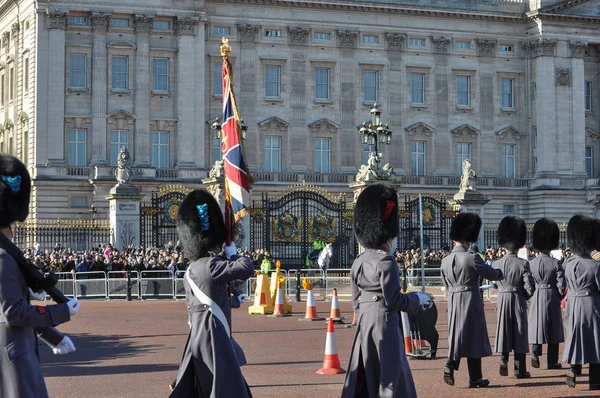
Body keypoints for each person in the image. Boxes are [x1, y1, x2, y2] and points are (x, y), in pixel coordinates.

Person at [0, 154, 80, 397]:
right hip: (12, 356)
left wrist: (51, 335)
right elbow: (14, 313)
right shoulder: (3, 257)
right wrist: (62, 311)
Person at [341, 184, 430, 398]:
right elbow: (394, 300)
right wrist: (417, 299)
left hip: (364, 322)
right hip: (385, 323)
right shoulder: (386, 261)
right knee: (390, 375)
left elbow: (356, 301)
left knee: (366, 372)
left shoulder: (358, 261)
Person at [169, 189, 254, 397]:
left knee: (207, 381)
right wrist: (233, 253)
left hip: (198, 331)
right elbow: (246, 268)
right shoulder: (211, 265)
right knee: (225, 382)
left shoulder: (190, 270)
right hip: (215, 330)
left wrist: (234, 300)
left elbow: (201, 302)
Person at [441, 212, 503, 388]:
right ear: (469, 237)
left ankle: (450, 364)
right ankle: (475, 378)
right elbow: (490, 273)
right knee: (474, 338)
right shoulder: (471, 257)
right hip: (471, 299)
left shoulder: (445, 260)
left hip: (453, 300)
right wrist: (500, 273)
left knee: (457, 335)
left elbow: (444, 282)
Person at [493, 216, 535, 379]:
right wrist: (525, 296)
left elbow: (495, 284)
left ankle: (503, 360)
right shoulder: (523, 263)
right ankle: (520, 370)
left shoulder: (496, 263)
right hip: (517, 298)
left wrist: (503, 289)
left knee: (503, 330)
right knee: (519, 331)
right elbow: (529, 286)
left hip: (503, 298)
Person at [562, 214, 600, 390]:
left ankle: (572, 368)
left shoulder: (568, 264)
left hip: (573, 304)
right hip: (591, 305)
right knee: (595, 341)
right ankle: (595, 381)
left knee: (575, 337)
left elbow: (565, 284)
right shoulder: (595, 265)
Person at [528, 218, 566, 370]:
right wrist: (560, 295)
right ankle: (552, 361)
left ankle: (535, 353)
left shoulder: (530, 263)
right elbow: (561, 284)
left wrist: (531, 295)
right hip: (552, 295)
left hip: (537, 295)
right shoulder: (556, 263)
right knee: (554, 329)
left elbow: (528, 282)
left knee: (538, 326)